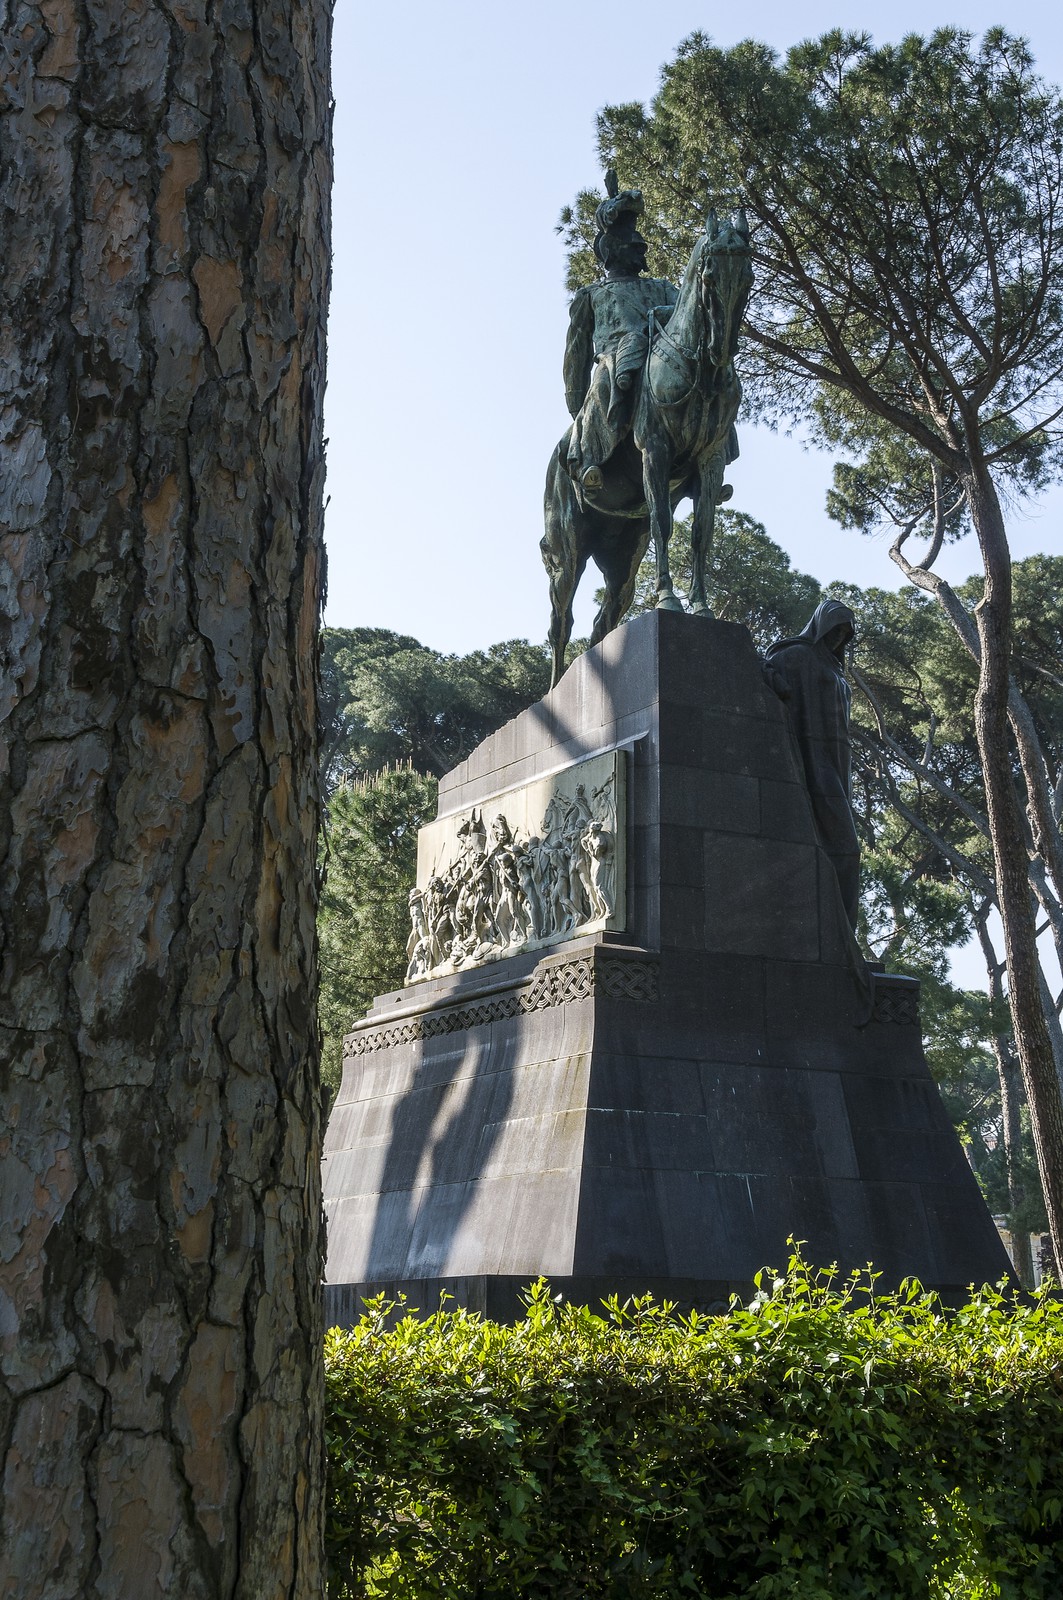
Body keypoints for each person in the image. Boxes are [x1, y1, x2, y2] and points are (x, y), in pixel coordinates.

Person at [562, 172, 677, 499]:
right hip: (615, 362)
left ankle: (712, 455)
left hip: (661, 360)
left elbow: (687, 314)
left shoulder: (661, 288)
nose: (643, 253)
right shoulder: (591, 295)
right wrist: (575, 404)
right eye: (635, 247)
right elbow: (576, 353)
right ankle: (589, 460)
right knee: (602, 385)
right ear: (614, 251)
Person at [764, 600, 861, 928]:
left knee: (840, 852)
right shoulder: (794, 655)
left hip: (839, 761)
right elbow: (767, 676)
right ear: (821, 625)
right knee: (847, 851)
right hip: (811, 757)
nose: (838, 638)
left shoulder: (834, 668)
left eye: (845, 634)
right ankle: (841, 932)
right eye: (835, 629)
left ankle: (843, 934)